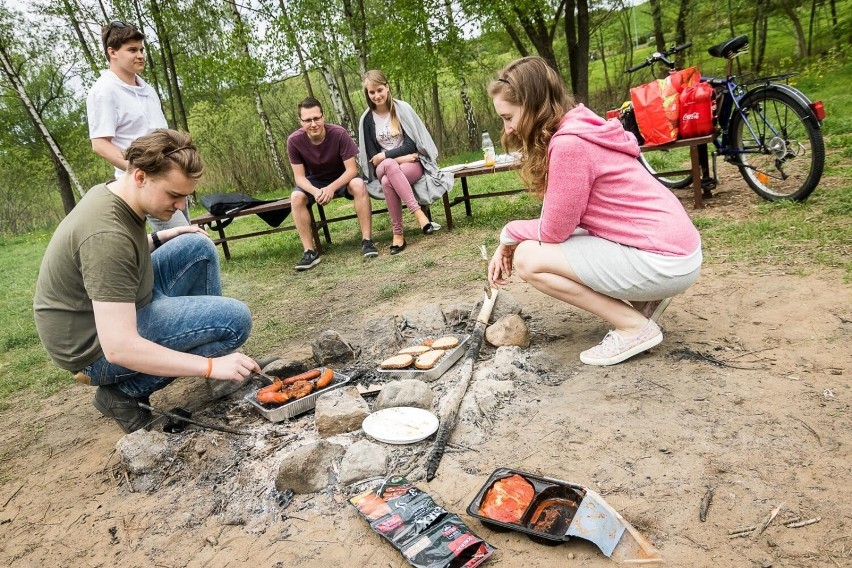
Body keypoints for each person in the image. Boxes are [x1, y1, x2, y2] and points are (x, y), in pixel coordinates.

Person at [33, 130, 259, 434]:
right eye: (174, 195)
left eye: (185, 197)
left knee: (197, 247)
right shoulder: (105, 236)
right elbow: (120, 348)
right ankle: (123, 395)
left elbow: (124, 256)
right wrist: (209, 366)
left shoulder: (117, 193)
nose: (180, 206)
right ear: (141, 176)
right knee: (234, 321)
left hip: (123, 304)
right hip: (94, 348)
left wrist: (162, 236)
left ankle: (218, 372)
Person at [486, 57, 702, 366]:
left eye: (508, 117)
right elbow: (566, 221)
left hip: (664, 261)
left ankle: (634, 327)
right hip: (676, 250)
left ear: (533, 105)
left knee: (528, 258)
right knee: (550, 244)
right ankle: (645, 301)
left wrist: (508, 235)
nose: (507, 129)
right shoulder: (580, 127)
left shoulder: (570, 144)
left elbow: (553, 232)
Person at [86, 20, 188, 232]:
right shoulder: (104, 91)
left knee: (182, 239)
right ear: (112, 52)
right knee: (187, 240)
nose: (140, 55)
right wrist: (144, 171)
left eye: (141, 49)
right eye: (132, 50)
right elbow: (100, 145)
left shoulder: (147, 88)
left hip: (171, 176)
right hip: (146, 183)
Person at [357, 70, 452, 254]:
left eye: (380, 90)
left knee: (387, 181)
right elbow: (374, 157)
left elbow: (411, 145)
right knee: (388, 168)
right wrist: (396, 158)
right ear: (367, 94)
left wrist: (387, 156)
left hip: (412, 165)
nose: (376, 95)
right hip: (385, 166)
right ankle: (418, 214)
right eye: (372, 92)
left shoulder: (401, 110)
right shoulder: (367, 119)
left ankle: (398, 235)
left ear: (387, 87)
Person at [287, 97, 378, 271]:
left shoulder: (339, 133)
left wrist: (331, 188)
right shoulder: (294, 141)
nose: (313, 124)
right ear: (301, 121)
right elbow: (299, 178)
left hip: (342, 176)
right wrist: (316, 191)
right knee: (296, 196)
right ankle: (309, 252)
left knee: (359, 185)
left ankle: (367, 241)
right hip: (314, 180)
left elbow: (351, 170)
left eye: (316, 118)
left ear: (323, 116)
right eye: (307, 120)